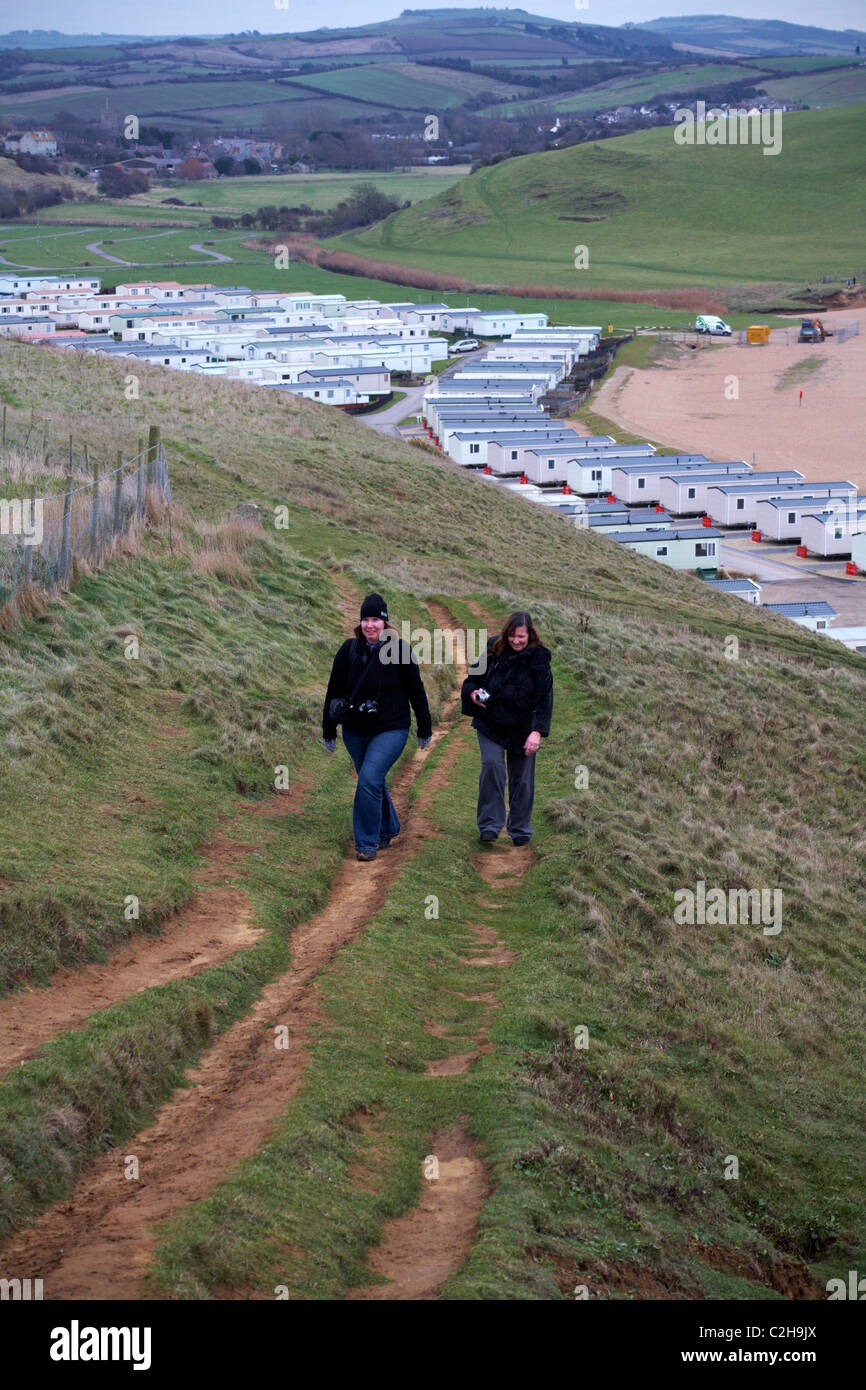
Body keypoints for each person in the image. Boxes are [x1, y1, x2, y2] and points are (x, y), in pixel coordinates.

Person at [323, 592, 432, 861]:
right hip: (355, 730)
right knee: (372, 782)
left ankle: (366, 843)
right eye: (365, 620)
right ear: (360, 622)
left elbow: (416, 691)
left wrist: (425, 727)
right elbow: (333, 691)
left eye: (375, 619)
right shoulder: (348, 650)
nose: (370, 625)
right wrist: (328, 730)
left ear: (385, 622)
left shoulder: (400, 650)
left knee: (369, 780)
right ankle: (389, 826)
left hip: (391, 728)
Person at [461, 611, 553, 846]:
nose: (516, 641)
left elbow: (545, 700)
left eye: (521, 636)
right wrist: (472, 693)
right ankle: (489, 826)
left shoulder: (540, 660)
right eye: (512, 636)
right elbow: (471, 680)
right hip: (490, 721)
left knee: (522, 779)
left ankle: (520, 829)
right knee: (492, 766)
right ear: (506, 634)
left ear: (530, 634)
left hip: (524, 727)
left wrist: (537, 732)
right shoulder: (494, 650)